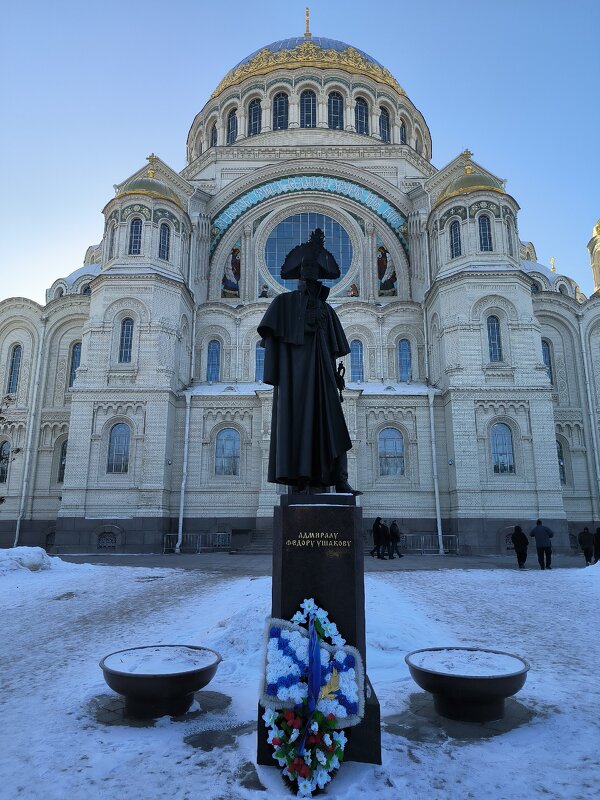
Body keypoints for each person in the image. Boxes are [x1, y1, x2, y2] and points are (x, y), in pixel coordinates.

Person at [257, 229, 361, 495]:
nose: (310, 277)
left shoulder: (327, 309)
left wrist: (336, 376)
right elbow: (269, 336)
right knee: (298, 425)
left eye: (315, 272)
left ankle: (340, 479)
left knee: (334, 425)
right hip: (295, 380)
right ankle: (300, 479)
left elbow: (335, 346)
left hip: (323, 376)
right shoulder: (283, 303)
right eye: (306, 273)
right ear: (299, 277)